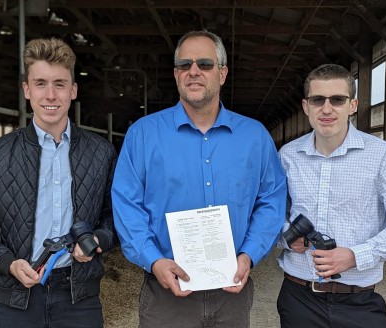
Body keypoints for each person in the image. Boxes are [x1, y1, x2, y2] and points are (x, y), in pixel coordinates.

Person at [112, 30, 287, 328]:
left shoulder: (255, 137)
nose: (194, 71)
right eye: (184, 65)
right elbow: (127, 204)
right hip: (165, 292)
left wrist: (249, 254)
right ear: (176, 74)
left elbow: (271, 200)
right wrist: (154, 260)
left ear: (222, 73)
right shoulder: (143, 134)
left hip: (232, 292)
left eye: (205, 64)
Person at [0, 38, 117, 328]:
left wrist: (97, 241)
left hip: (79, 298)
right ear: (27, 90)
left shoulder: (101, 153)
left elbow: (114, 218)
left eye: (60, 83)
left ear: (73, 90)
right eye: (41, 83)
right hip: (16, 298)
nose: (51, 95)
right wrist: (7, 262)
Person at [277, 63, 386, 328]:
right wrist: (287, 238)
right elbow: (270, 212)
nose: (327, 108)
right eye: (318, 99)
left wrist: (356, 255)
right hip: (298, 298)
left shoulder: (383, 156)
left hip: (360, 301)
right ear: (305, 105)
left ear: (352, 105)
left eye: (337, 99)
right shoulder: (288, 156)